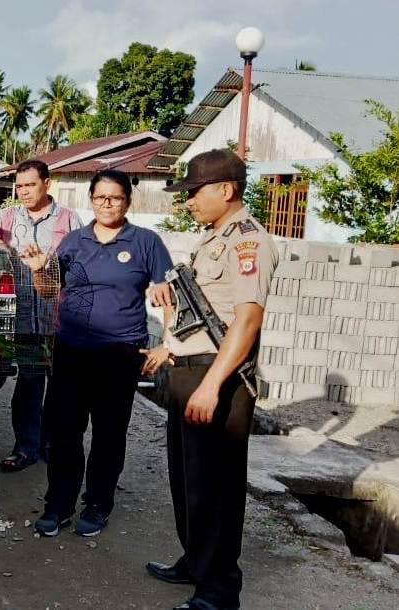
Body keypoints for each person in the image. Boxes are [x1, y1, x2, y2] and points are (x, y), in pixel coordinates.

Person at [144, 149, 277, 610]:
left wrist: (212, 384)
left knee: (215, 488)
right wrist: (168, 342)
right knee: (187, 481)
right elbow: (200, 312)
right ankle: (195, 562)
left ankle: (219, 591)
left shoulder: (248, 242)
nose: (189, 202)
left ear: (226, 189)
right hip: (189, 371)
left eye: (194, 192)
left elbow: (246, 321)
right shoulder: (211, 239)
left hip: (216, 378)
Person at [24, 169, 173, 538]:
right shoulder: (73, 241)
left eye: (115, 197)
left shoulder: (146, 242)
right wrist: (38, 271)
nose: (107, 204)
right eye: (100, 197)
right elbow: (48, 291)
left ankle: (97, 504)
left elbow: (170, 296)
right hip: (72, 350)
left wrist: (166, 344)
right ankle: (58, 504)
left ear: (127, 201)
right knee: (64, 432)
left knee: (109, 433)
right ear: (91, 199)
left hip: (120, 354)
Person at [0, 159, 82, 471]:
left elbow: (85, 262)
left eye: (30, 185)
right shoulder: (7, 217)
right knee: (29, 384)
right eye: (19, 186)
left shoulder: (69, 220)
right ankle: (26, 447)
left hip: (59, 320)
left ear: (47, 183)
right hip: (22, 319)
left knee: (60, 389)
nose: (24, 192)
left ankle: (53, 445)